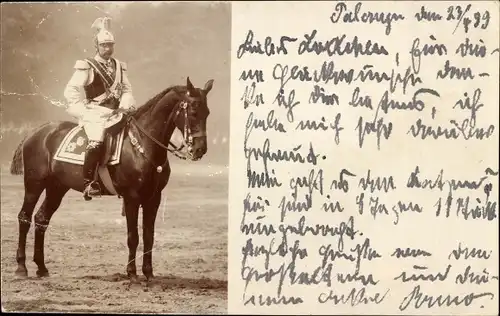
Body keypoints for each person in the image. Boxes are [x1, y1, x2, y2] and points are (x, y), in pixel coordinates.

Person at [64, 17, 136, 201]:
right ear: (97, 46)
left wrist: (124, 106)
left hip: (116, 112)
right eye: (104, 45)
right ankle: (89, 182)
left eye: (110, 45)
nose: (108, 49)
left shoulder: (119, 66)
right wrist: (82, 109)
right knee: (96, 140)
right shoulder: (87, 65)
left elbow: (127, 89)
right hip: (94, 113)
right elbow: (71, 90)